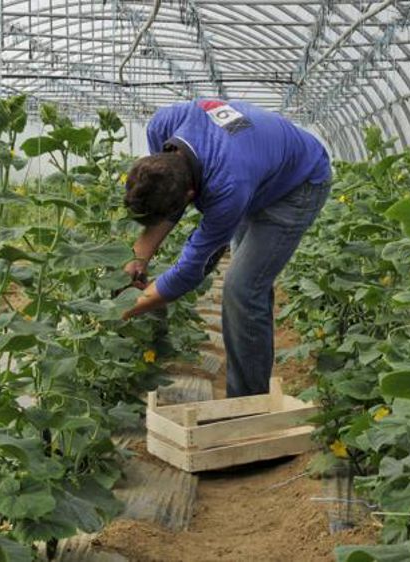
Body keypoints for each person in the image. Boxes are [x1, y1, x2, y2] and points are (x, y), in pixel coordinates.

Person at [121, 99, 331, 398]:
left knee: (242, 289)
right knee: (251, 286)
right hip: (259, 166)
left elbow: (192, 269)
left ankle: (248, 401)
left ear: (191, 194)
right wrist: (138, 257)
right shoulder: (163, 124)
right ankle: (253, 372)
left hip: (299, 183)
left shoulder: (228, 188)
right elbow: (168, 200)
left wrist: (125, 309)